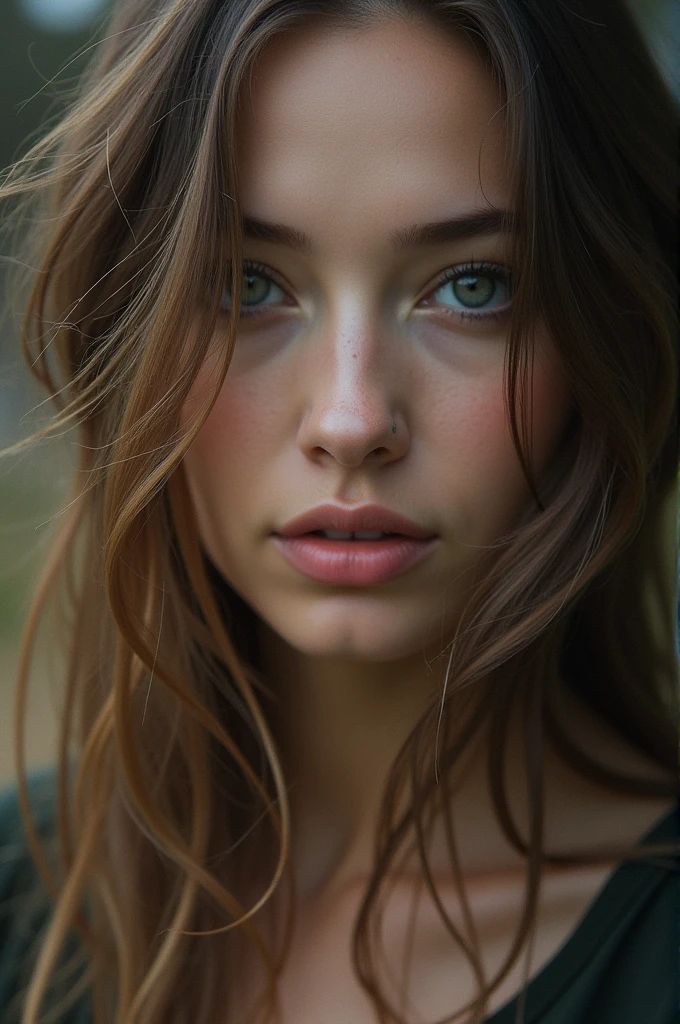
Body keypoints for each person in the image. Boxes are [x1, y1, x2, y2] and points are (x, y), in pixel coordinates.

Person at [0, 0, 678, 1022]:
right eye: (244, 284)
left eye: (473, 286)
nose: (351, 420)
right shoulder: (24, 907)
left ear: (613, 332)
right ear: (126, 331)